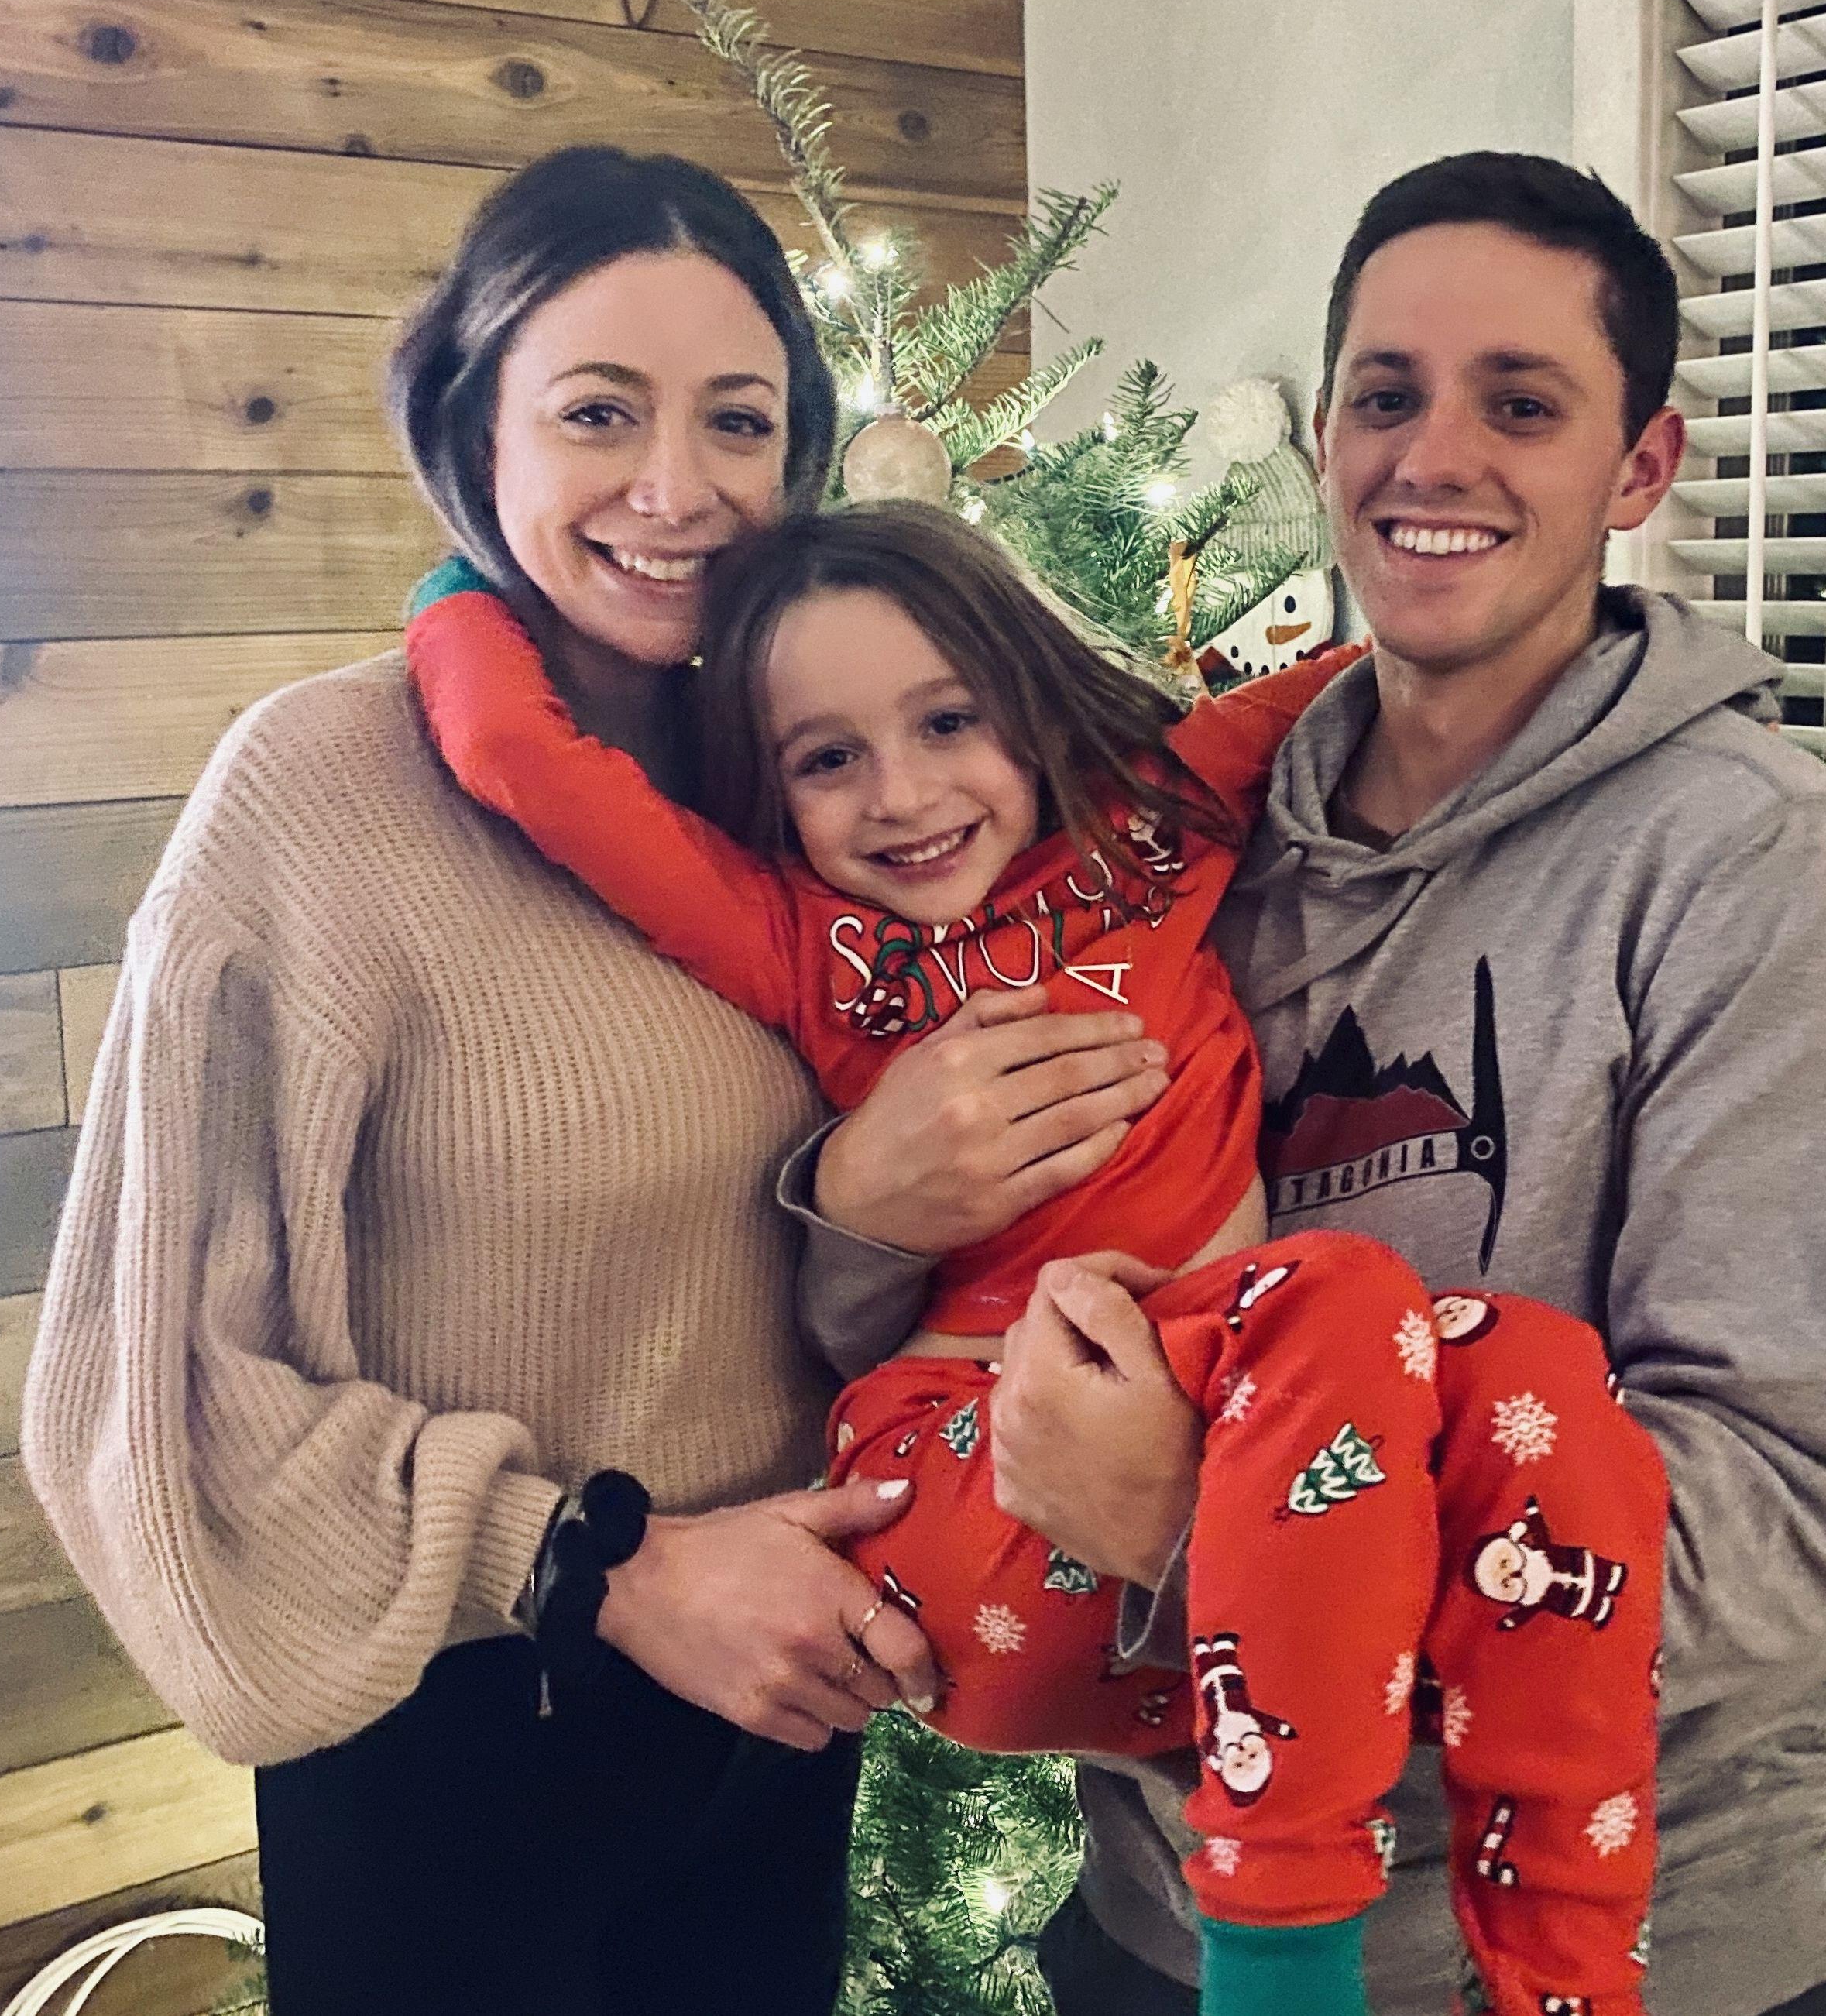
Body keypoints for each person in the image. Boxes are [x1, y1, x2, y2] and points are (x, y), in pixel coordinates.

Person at [791, 153, 1826, 2016]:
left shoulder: (1770, 881)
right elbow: (952, 1293)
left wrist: (1209, 1532)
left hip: (1614, 1956)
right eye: (1385, 393)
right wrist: (858, 1209)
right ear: (1328, 437)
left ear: (1640, 467)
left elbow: (1771, 1539)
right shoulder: (1164, 854)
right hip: (1155, 1923)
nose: (1435, 456)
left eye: (1520, 404)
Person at [18, 146, 1171, 2016]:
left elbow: (845, 1259)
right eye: (597, 412)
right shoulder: (315, 794)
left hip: (780, 1715)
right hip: (463, 1732)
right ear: (473, 432)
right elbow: (143, 1395)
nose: (675, 487)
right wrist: (596, 1565)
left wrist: (879, 1219)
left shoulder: (829, 783)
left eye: (738, 420)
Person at [404, 500, 1669, 2016]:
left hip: (1230, 1490)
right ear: (769, 790)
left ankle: (1567, 1977)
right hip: (966, 1491)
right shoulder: (792, 936)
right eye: (825, 757)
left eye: (949, 720)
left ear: (1031, 702)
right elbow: (523, 759)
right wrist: (462, 579)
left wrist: (1596, 639)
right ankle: (1281, 1963)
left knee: (1538, 1383)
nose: (904, 793)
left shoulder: (1150, 818)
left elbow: (1394, 658)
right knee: (1340, 1298)